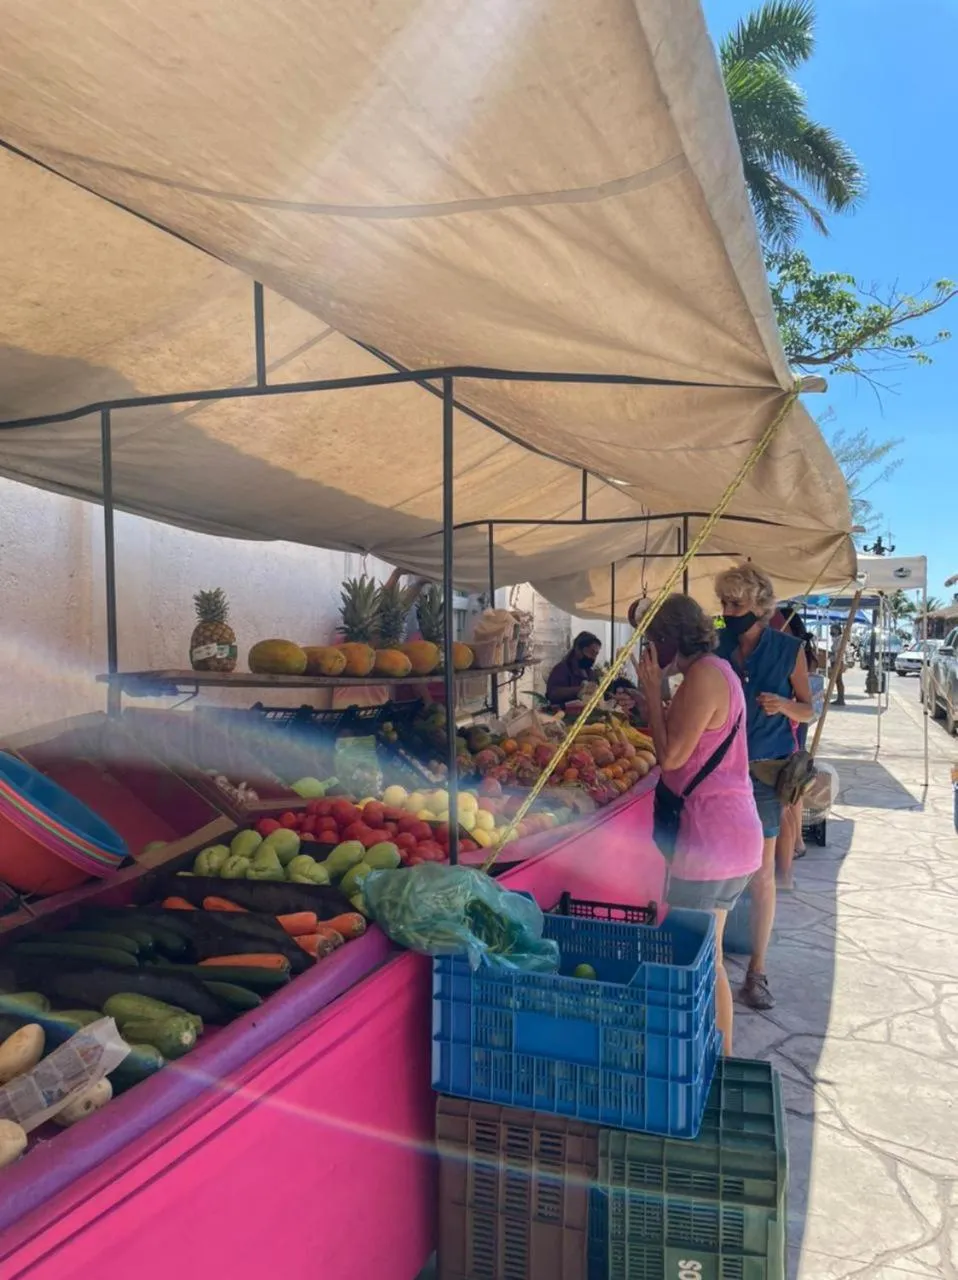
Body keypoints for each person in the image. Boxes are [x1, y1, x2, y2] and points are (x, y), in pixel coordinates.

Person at [636, 594, 763, 1056]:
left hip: (712, 837)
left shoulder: (705, 675)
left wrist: (652, 690)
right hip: (728, 835)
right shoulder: (714, 672)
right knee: (706, 958)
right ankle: (715, 1055)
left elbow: (670, 758)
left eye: (651, 642)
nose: (648, 652)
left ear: (669, 639)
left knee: (701, 962)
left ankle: (722, 1060)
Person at [714, 564, 813, 1011]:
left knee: (761, 874)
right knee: (714, 868)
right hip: (717, 772)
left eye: (735, 605)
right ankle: (710, 962)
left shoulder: (789, 650)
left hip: (764, 774)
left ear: (759, 607)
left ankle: (757, 971)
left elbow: (808, 711)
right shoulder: (717, 645)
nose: (727, 612)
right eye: (724, 604)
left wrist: (785, 705)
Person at [545, 631, 601, 707]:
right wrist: (580, 689)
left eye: (596, 654)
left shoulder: (591, 673)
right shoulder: (562, 669)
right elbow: (553, 693)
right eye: (590, 652)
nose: (593, 657)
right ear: (577, 649)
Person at [829, 624, 846, 706]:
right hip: (834, 660)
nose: (831, 631)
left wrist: (832, 653)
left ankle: (841, 699)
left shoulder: (840, 639)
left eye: (833, 629)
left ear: (837, 630)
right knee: (837, 680)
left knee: (838, 680)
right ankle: (840, 698)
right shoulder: (835, 639)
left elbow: (838, 650)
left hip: (838, 661)